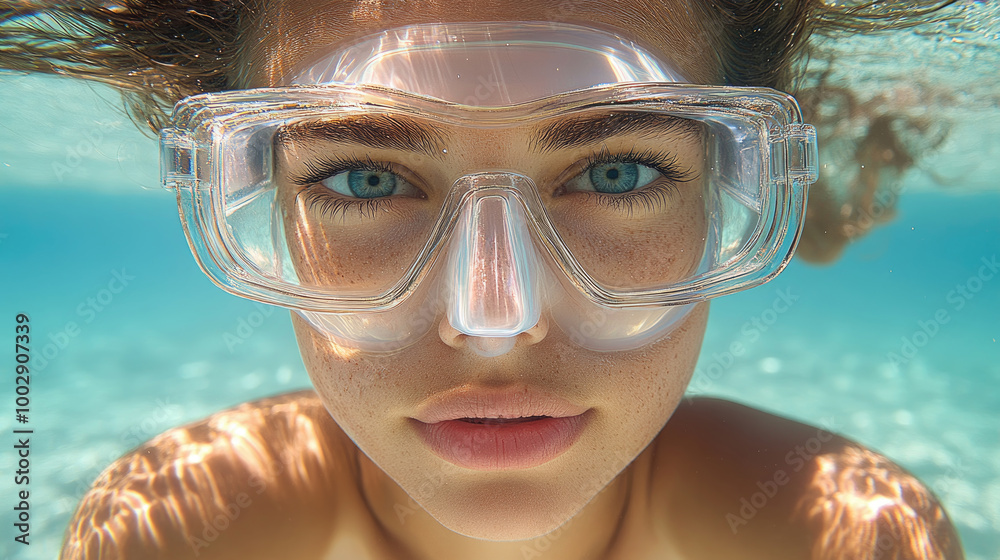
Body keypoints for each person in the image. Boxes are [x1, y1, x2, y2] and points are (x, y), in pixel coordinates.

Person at [1, 1, 966, 559]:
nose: (494, 324)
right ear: (261, 202)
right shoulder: (172, 532)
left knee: (832, 225)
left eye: (616, 172)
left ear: (727, 194)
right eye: (364, 178)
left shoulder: (846, 536)